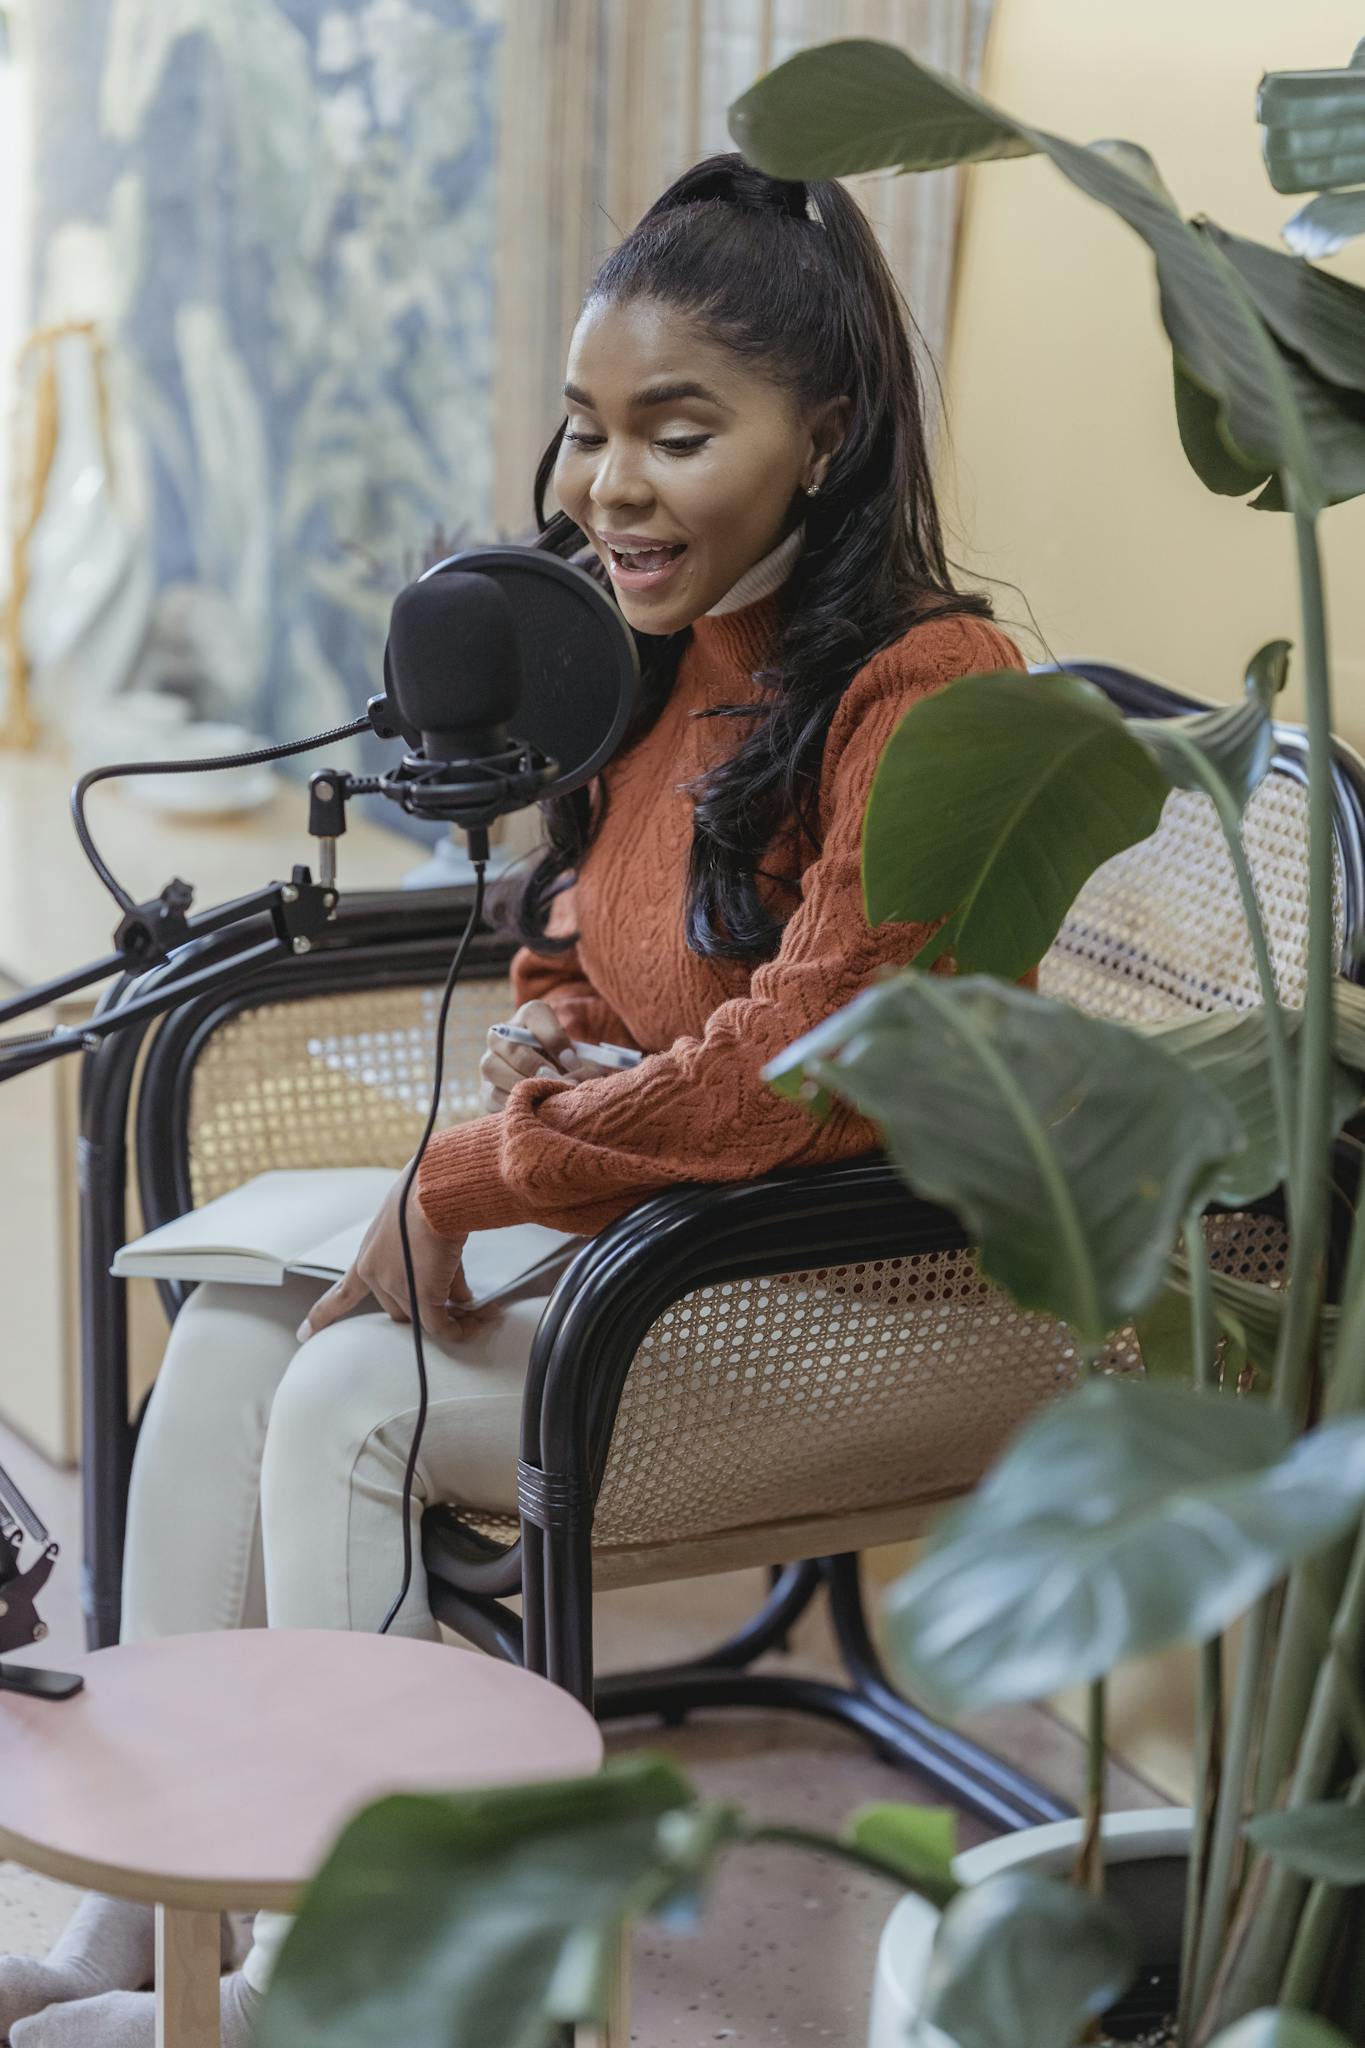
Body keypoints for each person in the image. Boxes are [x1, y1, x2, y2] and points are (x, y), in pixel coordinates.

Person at [0, 152, 1026, 2045]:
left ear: (831, 432)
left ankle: (364, 1985)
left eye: (676, 431)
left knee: (348, 1391)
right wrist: (548, 1040)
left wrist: (480, 1170)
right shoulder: (642, 659)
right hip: (659, 1221)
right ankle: (142, 1941)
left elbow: (817, 1070)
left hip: (839, 1279)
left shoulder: (931, 689)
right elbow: (580, 934)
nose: (605, 489)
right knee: (229, 1351)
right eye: (584, 433)